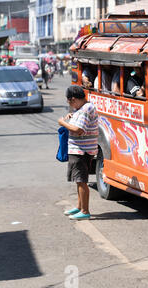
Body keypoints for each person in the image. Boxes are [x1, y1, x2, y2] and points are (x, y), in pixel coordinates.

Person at [58, 86, 98, 220]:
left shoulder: (86, 109)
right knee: (78, 180)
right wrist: (71, 116)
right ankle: (79, 207)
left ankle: (85, 211)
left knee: (81, 181)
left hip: (82, 151)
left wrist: (62, 123)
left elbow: (78, 129)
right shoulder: (81, 109)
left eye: (69, 101)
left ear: (73, 99)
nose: (69, 104)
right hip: (78, 149)